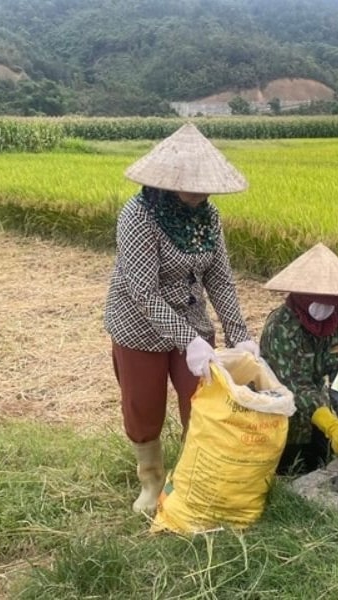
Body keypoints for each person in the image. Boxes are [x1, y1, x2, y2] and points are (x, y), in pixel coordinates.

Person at [104, 124, 259, 514]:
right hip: (138, 323)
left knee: (200, 398)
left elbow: (219, 277)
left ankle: (192, 475)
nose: (202, 193)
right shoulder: (138, 216)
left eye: (207, 186)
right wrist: (187, 340)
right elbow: (143, 292)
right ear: (169, 182)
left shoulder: (208, 217)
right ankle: (151, 477)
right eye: (193, 186)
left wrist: (238, 334)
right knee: (144, 402)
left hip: (192, 319)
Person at [259, 243, 338, 474]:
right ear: (302, 296)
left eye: (332, 302)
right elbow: (295, 385)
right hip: (282, 413)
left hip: (318, 412)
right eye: (319, 300)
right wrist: (331, 424)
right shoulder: (281, 326)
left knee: (322, 464)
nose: (326, 307)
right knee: (287, 472)